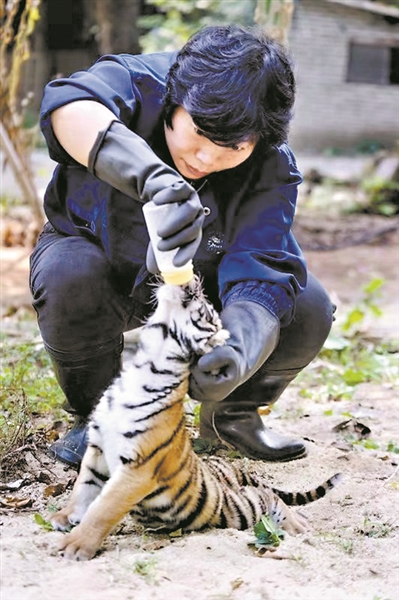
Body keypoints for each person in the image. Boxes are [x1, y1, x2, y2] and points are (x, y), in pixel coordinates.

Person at [30, 24, 334, 469]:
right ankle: (101, 419)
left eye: (232, 146)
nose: (206, 158)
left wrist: (238, 350)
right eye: (199, 132)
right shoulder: (140, 80)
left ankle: (233, 417)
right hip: (99, 257)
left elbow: (262, 268)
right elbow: (68, 107)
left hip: (200, 280)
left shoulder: (271, 165)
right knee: (68, 275)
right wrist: (152, 181)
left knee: (308, 306)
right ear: (175, 102)